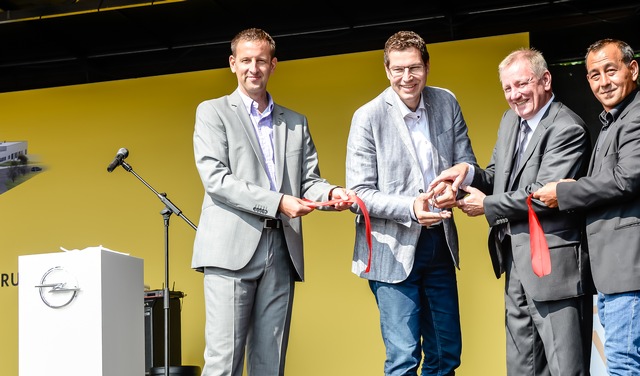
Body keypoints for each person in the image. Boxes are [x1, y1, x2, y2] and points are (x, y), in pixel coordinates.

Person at [191, 28, 354, 376]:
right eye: (246, 60)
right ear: (233, 64)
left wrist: (332, 193)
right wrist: (279, 202)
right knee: (224, 362)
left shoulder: (295, 122)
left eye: (261, 61)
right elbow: (216, 180)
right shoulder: (212, 112)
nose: (254, 68)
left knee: (271, 363)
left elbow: (309, 180)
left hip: (281, 251)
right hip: (230, 252)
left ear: (273, 65)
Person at [428, 48, 593, 375]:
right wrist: (467, 174)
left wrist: (486, 206)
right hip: (514, 261)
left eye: (522, 84)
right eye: (507, 88)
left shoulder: (567, 127)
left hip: (552, 268)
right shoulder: (510, 121)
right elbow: (497, 175)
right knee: (521, 368)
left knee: (565, 368)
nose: (515, 95)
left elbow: (543, 196)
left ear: (545, 80)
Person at [533, 38, 640, 376]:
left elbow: (623, 181)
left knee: (625, 363)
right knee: (636, 363)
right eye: (594, 74)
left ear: (633, 69)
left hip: (636, 266)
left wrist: (566, 192)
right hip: (619, 269)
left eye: (610, 70)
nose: (603, 81)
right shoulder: (614, 120)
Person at [345, 30, 477, 376]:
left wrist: (457, 188)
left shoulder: (446, 102)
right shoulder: (368, 117)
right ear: (387, 71)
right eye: (399, 69)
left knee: (446, 354)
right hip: (392, 251)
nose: (407, 77)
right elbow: (359, 193)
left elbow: (467, 164)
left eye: (414, 68)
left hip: (439, 246)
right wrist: (410, 208)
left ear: (427, 67)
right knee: (403, 358)